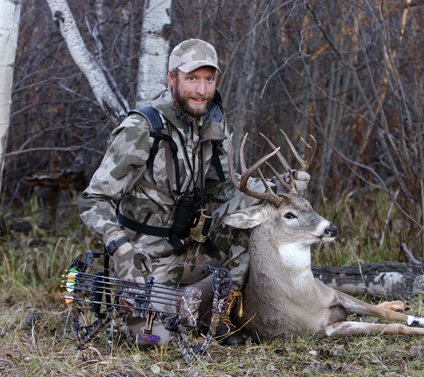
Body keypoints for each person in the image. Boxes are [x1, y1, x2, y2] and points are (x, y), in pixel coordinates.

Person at [77, 39, 309, 346]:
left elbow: (227, 188)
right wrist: (119, 246)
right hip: (144, 258)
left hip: (191, 244)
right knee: (154, 342)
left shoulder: (211, 123)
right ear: (173, 78)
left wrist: (281, 192)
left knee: (259, 216)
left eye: (208, 80)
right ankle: (172, 307)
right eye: (192, 79)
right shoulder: (142, 129)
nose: (201, 91)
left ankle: (219, 311)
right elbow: (93, 199)